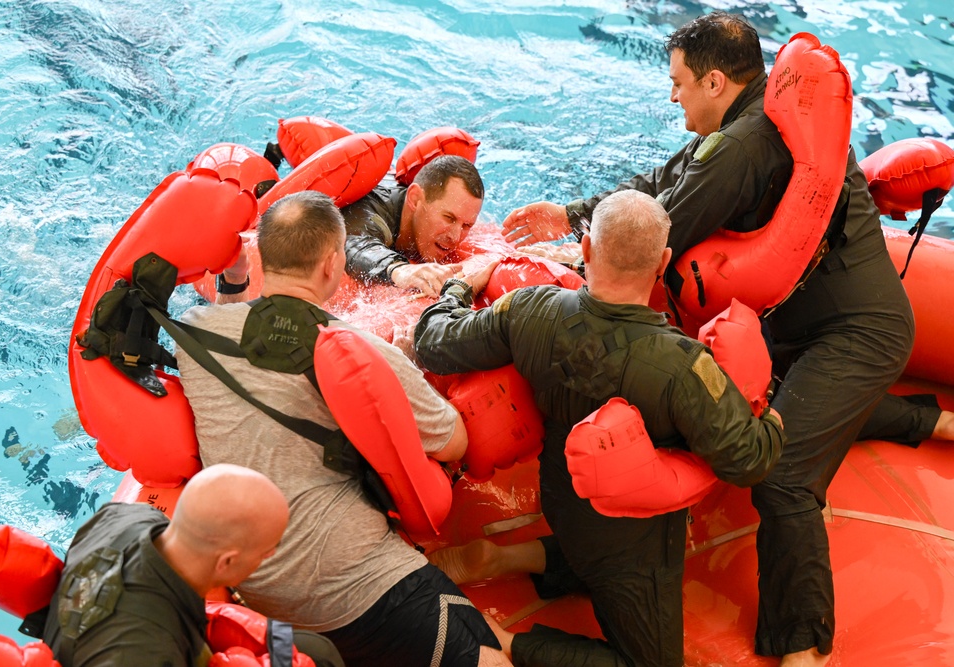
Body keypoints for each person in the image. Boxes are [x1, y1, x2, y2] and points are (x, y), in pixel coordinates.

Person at [501, 13, 915, 665]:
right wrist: (574, 213)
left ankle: (803, 648)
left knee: (783, 476)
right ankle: (935, 421)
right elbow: (664, 182)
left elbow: (656, 233)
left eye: (679, 83)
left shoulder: (743, 149)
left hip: (854, 334)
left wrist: (575, 259)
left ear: (715, 81)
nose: (673, 97)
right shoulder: (754, 116)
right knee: (784, 405)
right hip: (798, 330)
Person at [414, 189, 785, 667]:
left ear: (586, 249)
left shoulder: (531, 309)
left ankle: (504, 559)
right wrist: (769, 412)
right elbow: (748, 460)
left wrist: (458, 289)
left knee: (589, 551)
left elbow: (433, 342)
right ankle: (505, 641)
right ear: (662, 263)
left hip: (562, 504)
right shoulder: (683, 365)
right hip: (632, 546)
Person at [175, 190, 509, 667]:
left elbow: (241, 328)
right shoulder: (366, 352)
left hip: (257, 592)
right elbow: (454, 441)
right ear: (333, 264)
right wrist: (408, 368)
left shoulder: (194, 333)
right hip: (364, 586)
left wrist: (234, 280)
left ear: (263, 255)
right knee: (494, 656)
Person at [41, 463, 291, 666]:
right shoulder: (147, 651)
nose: (270, 555)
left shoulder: (121, 515)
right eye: (266, 552)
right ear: (227, 561)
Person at [341, 154, 484, 296]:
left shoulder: (447, 209)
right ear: (415, 199)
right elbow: (352, 244)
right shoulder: (370, 214)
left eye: (467, 225)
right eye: (449, 218)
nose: (455, 237)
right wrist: (399, 269)